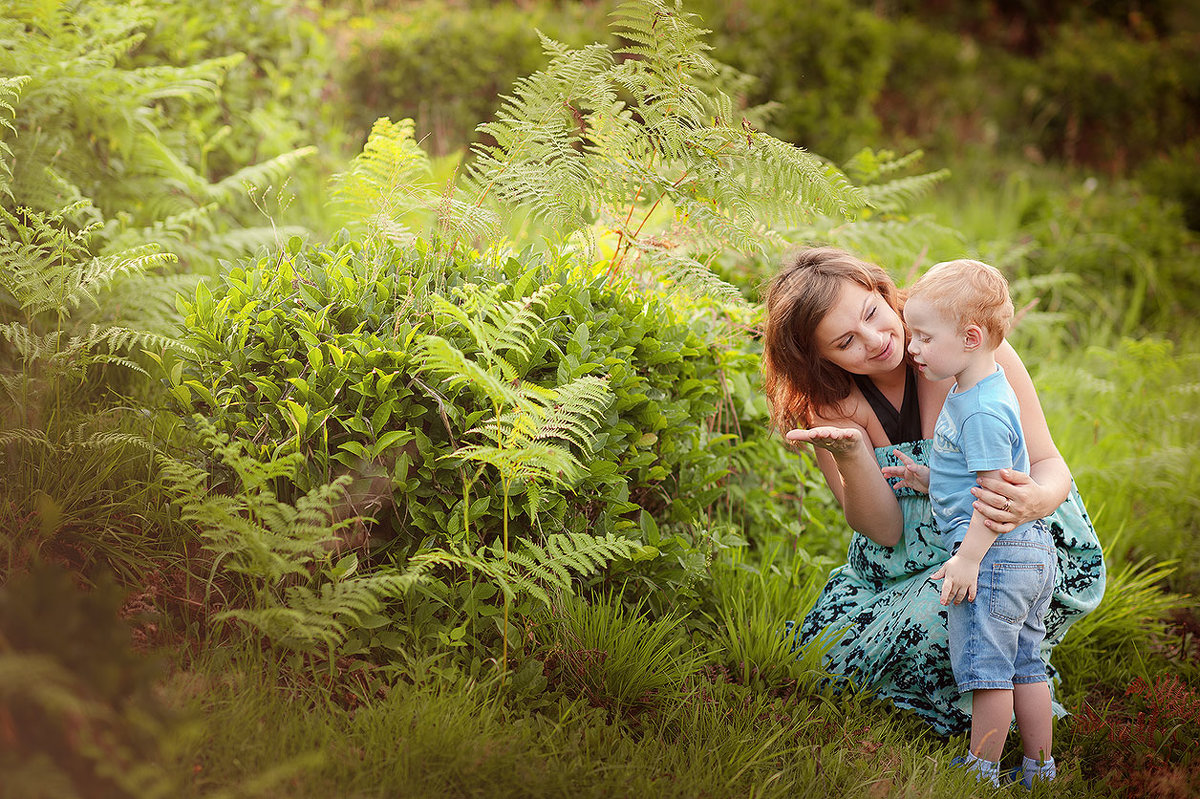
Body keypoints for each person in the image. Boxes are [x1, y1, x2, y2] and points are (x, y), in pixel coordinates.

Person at [762, 246, 1105, 742]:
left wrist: (1039, 500)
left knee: (957, 619)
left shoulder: (967, 346)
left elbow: (1049, 463)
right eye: (846, 342)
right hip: (904, 562)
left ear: (882, 292)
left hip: (1006, 544)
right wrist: (854, 454)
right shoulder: (830, 404)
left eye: (873, 314)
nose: (877, 340)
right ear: (821, 359)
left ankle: (1003, 709)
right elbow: (883, 529)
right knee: (826, 660)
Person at [898, 259, 1057, 787]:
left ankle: (979, 771)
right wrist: (932, 480)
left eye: (922, 336)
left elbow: (993, 497)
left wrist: (966, 559)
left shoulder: (979, 411)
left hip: (994, 557)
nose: (912, 348)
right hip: (1028, 554)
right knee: (1026, 665)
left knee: (989, 674)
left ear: (970, 337)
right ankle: (1039, 770)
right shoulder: (982, 391)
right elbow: (976, 473)